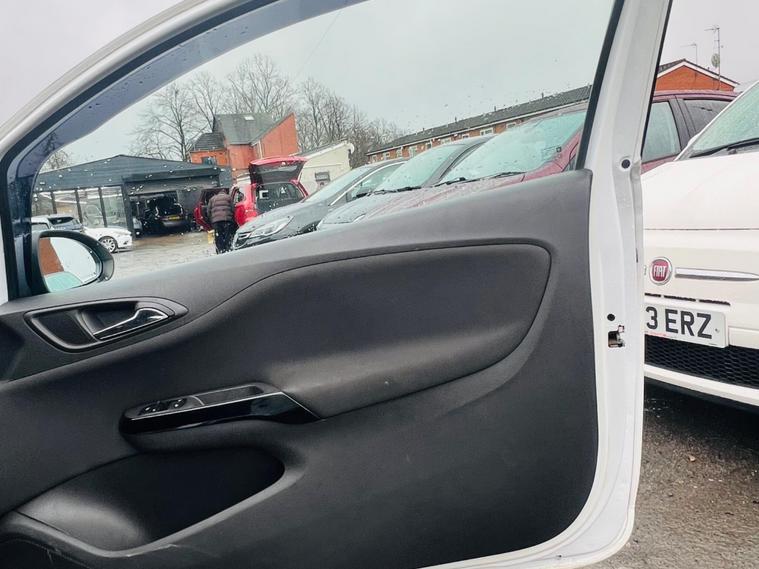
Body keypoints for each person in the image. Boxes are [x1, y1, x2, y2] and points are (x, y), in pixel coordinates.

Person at [207, 189, 236, 253]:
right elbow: (233, 209)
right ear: (225, 193)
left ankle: (220, 250)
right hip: (227, 220)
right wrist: (233, 218)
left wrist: (212, 220)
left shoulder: (212, 199)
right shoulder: (228, 197)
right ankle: (228, 249)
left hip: (216, 222)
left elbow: (208, 211)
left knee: (218, 236)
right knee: (227, 235)